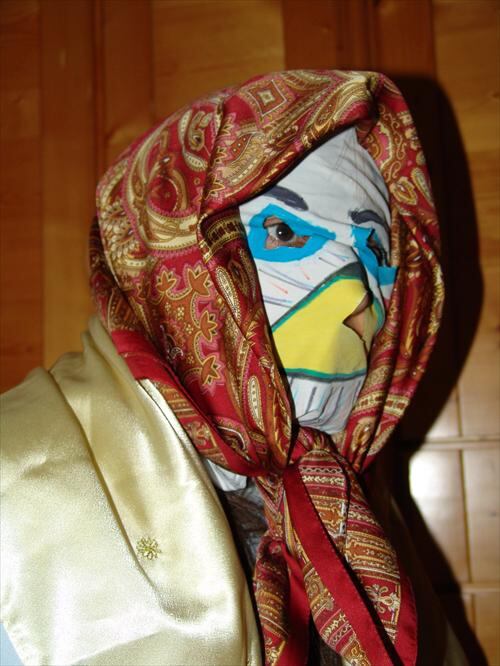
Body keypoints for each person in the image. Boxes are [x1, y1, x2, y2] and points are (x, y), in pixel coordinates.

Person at [1, 70, 465, 665]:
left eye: (375, 253)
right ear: (171, 264)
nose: (356, 302)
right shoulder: (17, 489)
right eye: (284, 232)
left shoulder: (348, 509)